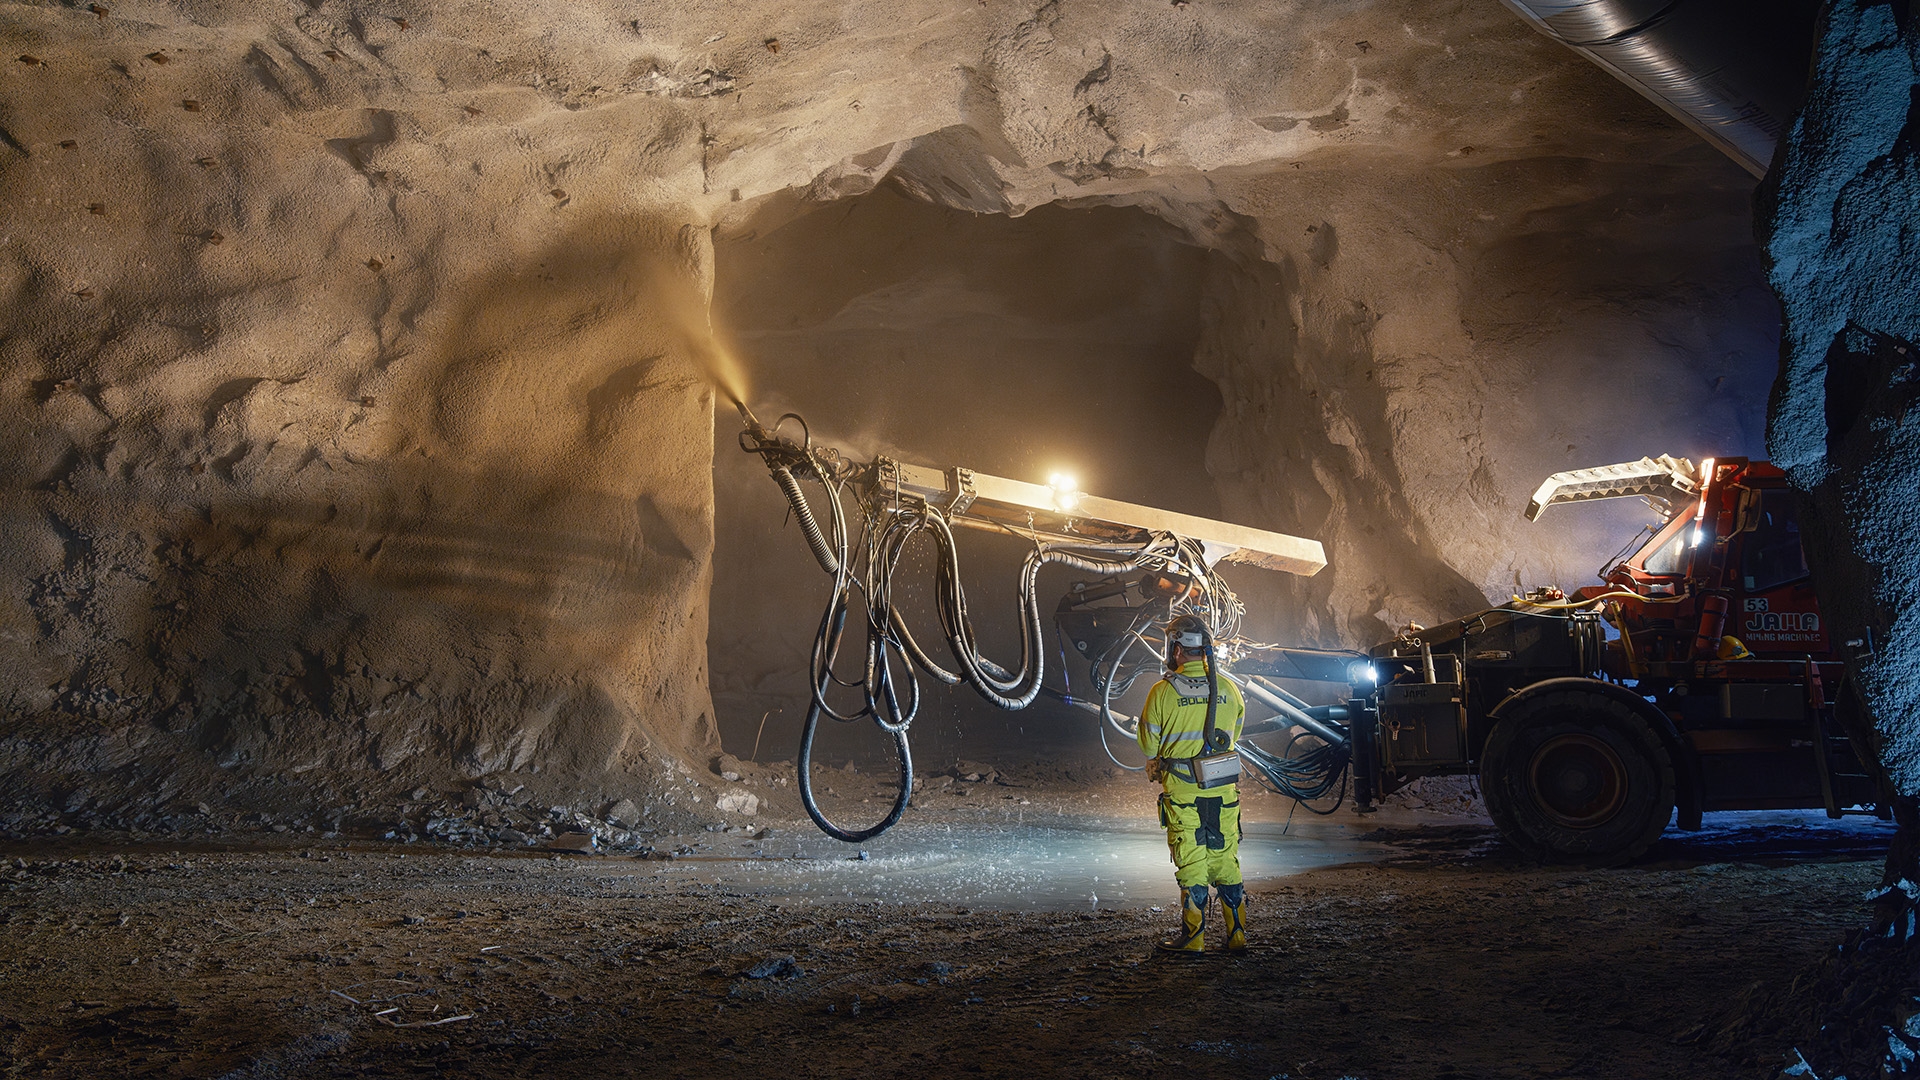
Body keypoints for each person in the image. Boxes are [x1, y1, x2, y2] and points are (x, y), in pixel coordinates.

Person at [1138, 614, 1248, 953]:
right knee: (1226, 858)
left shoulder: (1162, 693)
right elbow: (1236, 733)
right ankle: (1237, 936)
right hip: (1224, 792)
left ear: (1176, 649)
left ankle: (1194, 939)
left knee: (1192, 860)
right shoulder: (1229, 689)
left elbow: (1148, 746)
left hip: (1184, 793)